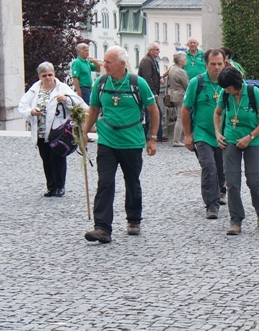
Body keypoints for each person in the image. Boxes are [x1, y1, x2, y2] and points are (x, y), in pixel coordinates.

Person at [82, 46, 159, 243]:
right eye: (104, 61)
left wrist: (152, 138)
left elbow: (153, 110)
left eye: (108, 62)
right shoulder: (101, 83)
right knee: (105, 182)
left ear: (122, 64)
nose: (104, 65)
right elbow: (93, 109)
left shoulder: (137, 83)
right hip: (107, 140)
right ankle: (102, 228)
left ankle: (134, 219)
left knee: (132, 182)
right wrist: (84, 132)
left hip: (132, 142)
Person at [214, 66, 259, 235]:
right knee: (232, 182)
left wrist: (249, 137)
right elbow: (217, 114)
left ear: (237, 84)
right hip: (230, 140)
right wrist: (217, 133)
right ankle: (235, 220)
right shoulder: (225, 94)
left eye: (229, 88)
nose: (227, 91)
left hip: (253, 140)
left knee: (254, 180)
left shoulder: (253, 93)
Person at [18, 62, 87, 197]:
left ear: (54, 74)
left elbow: (79, 104)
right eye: (44, 75)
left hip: (58, 131)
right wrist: (31, 112)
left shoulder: (62, 88)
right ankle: (51, 187)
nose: (48, 78)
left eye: (50, 74)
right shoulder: (34, 89)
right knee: (46, 159)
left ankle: (60, 186)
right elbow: (22, 106)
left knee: (58, 157)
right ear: (40, 77)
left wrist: (66, 99)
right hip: (41, 131)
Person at [182, 48, 228, 219]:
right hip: (203, 133)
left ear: (225, 64)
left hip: (224, 134)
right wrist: (188, 135)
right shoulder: (197, 83)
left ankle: (221, 190)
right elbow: (185, 109)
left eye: (220, 64)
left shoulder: (228, 82)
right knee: (209, 167)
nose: (217, 67)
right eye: (213, 64)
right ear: (206, 64)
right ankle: (212, 204)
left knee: (222, 170)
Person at [138, 42, 166, 142]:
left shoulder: (152, 60)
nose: (159, 51)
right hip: (148, 92)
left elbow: (154, 74)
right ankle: (151, 135)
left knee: (155, 113)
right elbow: (147, 78)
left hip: (152, 91)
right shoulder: (147, 61)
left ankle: (156, 135)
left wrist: (160, 77)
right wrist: (153, 92)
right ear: (150, 51)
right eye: (157, 49)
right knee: (152, 113)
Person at [168, 51, 190, 147]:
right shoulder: (181, 71)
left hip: (173, 94)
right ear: (180, 61)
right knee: (180, 118)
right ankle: (176, 140)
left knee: (179, 117)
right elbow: (187, 85)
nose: (186, 60)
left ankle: (179, 138)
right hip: (181, 95)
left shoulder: (172, 68)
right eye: (184, 59)